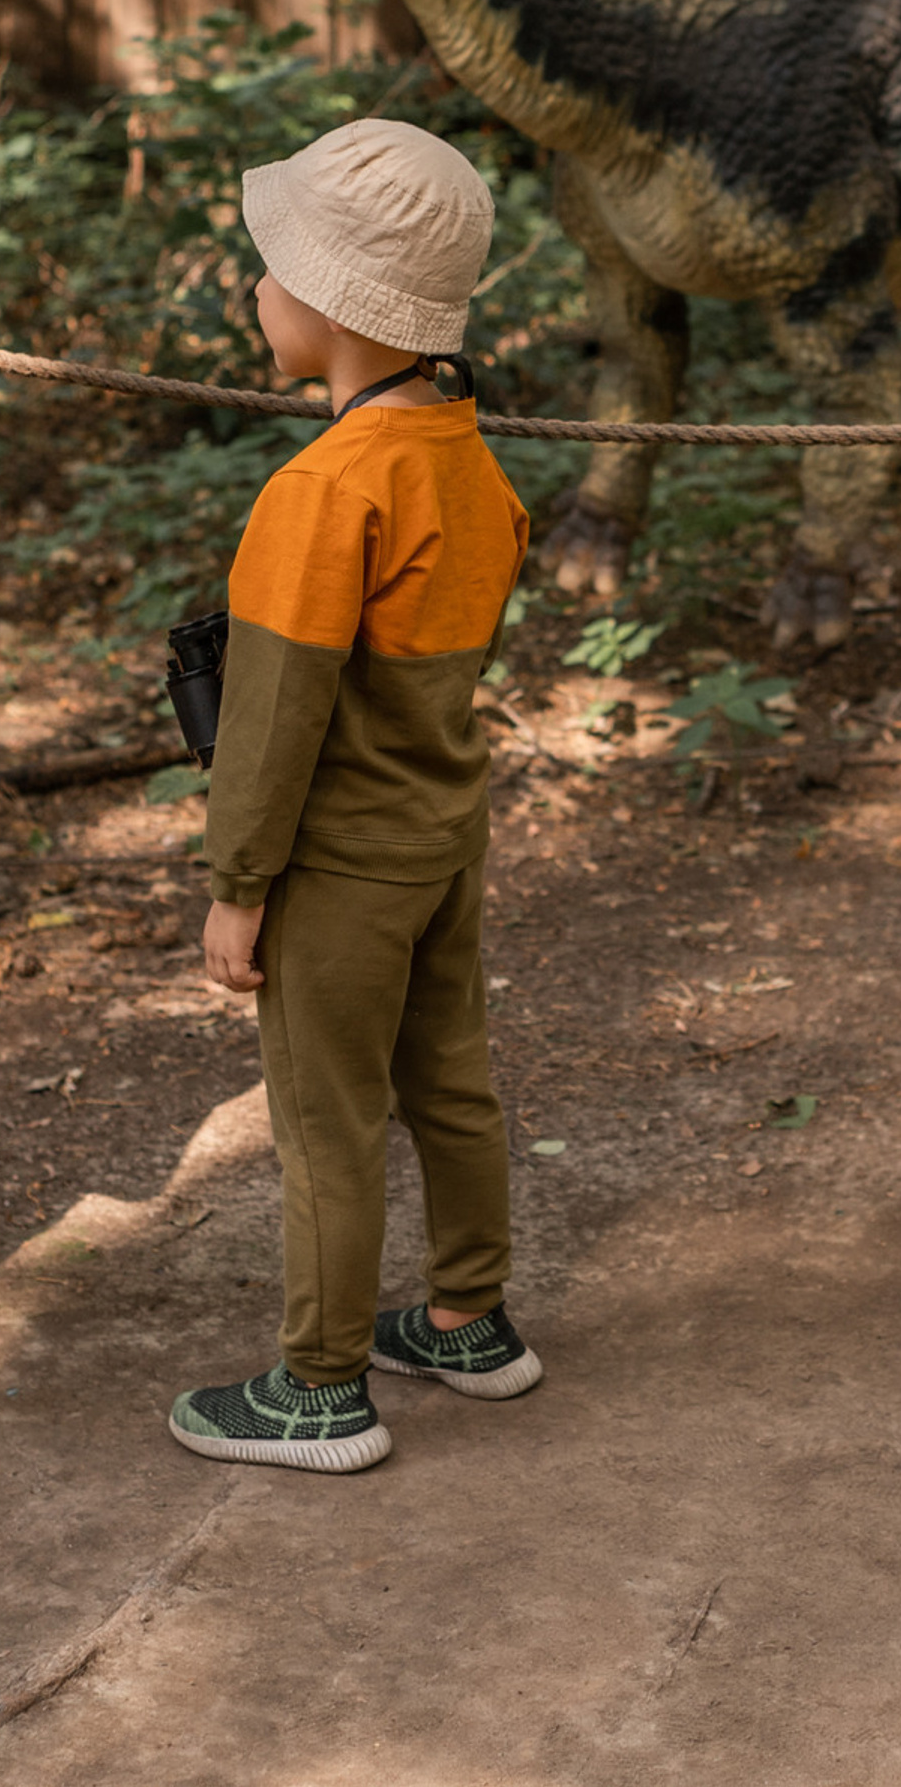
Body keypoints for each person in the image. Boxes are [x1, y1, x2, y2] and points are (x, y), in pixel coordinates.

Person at [169, 119, 538, 1474]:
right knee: (449, 1082)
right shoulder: (468, 455)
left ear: (326, 302)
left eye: (265, 269)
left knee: (325, 1122)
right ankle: (467, 1318)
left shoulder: (319, 494)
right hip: (442, 833)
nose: (254, 291)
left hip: (337, 867)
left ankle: (319, 1387)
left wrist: (237, 886)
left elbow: (269, 727)